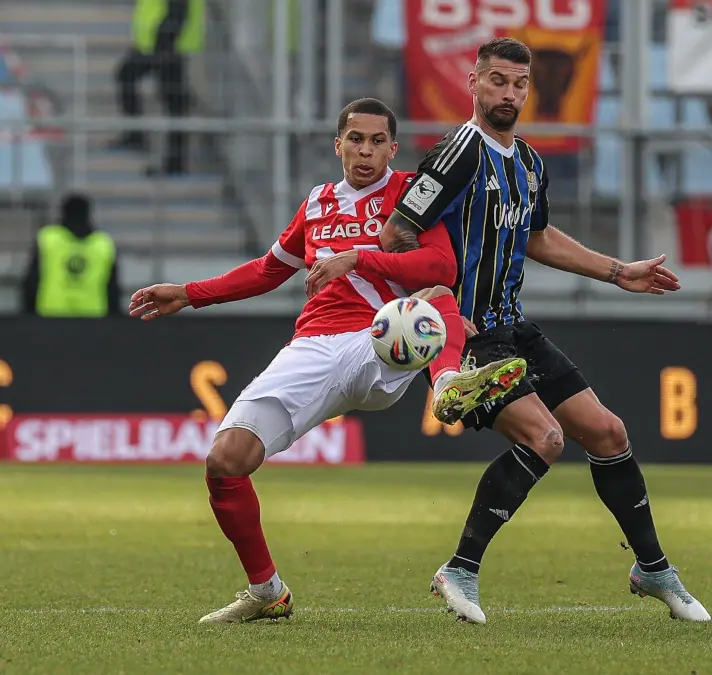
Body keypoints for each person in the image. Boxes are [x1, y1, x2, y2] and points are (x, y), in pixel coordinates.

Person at [126, 98, 527, 624]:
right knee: (225, 462)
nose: (365, 151)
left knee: (432, 293)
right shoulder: (317, 202)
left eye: (377, 141)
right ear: (337, 143)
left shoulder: (410, 194)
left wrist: (359, 256)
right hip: (313, 348)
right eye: (355, 139)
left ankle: (449, 382)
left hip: (382, 339)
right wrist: (189, 292)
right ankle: (267, 591)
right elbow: (268, 269)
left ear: (393, 147)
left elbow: (441, 263)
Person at [380, 38, 708, 624]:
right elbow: (398, 231)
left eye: (519, 84)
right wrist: (430, 295)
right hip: (471, 334)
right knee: (546, 439)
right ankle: (459, 568)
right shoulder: (454, 155)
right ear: (474, 83)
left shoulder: (528, 162)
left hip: (515, 328)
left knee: (608, 433)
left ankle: (653, 569)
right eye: (498, 81)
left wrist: (617, 271)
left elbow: (538, 238)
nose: (509, 94)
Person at [112, 0, 205, 174]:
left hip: (168, 45)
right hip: (158, 44)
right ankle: (137, 136)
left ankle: (174, 161)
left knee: (174, 103)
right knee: (128, 76)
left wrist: (164, 44)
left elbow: (178, 10)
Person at [22, 194, 121, 318]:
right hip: (93, 318)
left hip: (51, 317)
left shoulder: (47, 239)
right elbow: (113, 289)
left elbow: (32, 281)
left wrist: (27, 315)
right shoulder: (104, 244)